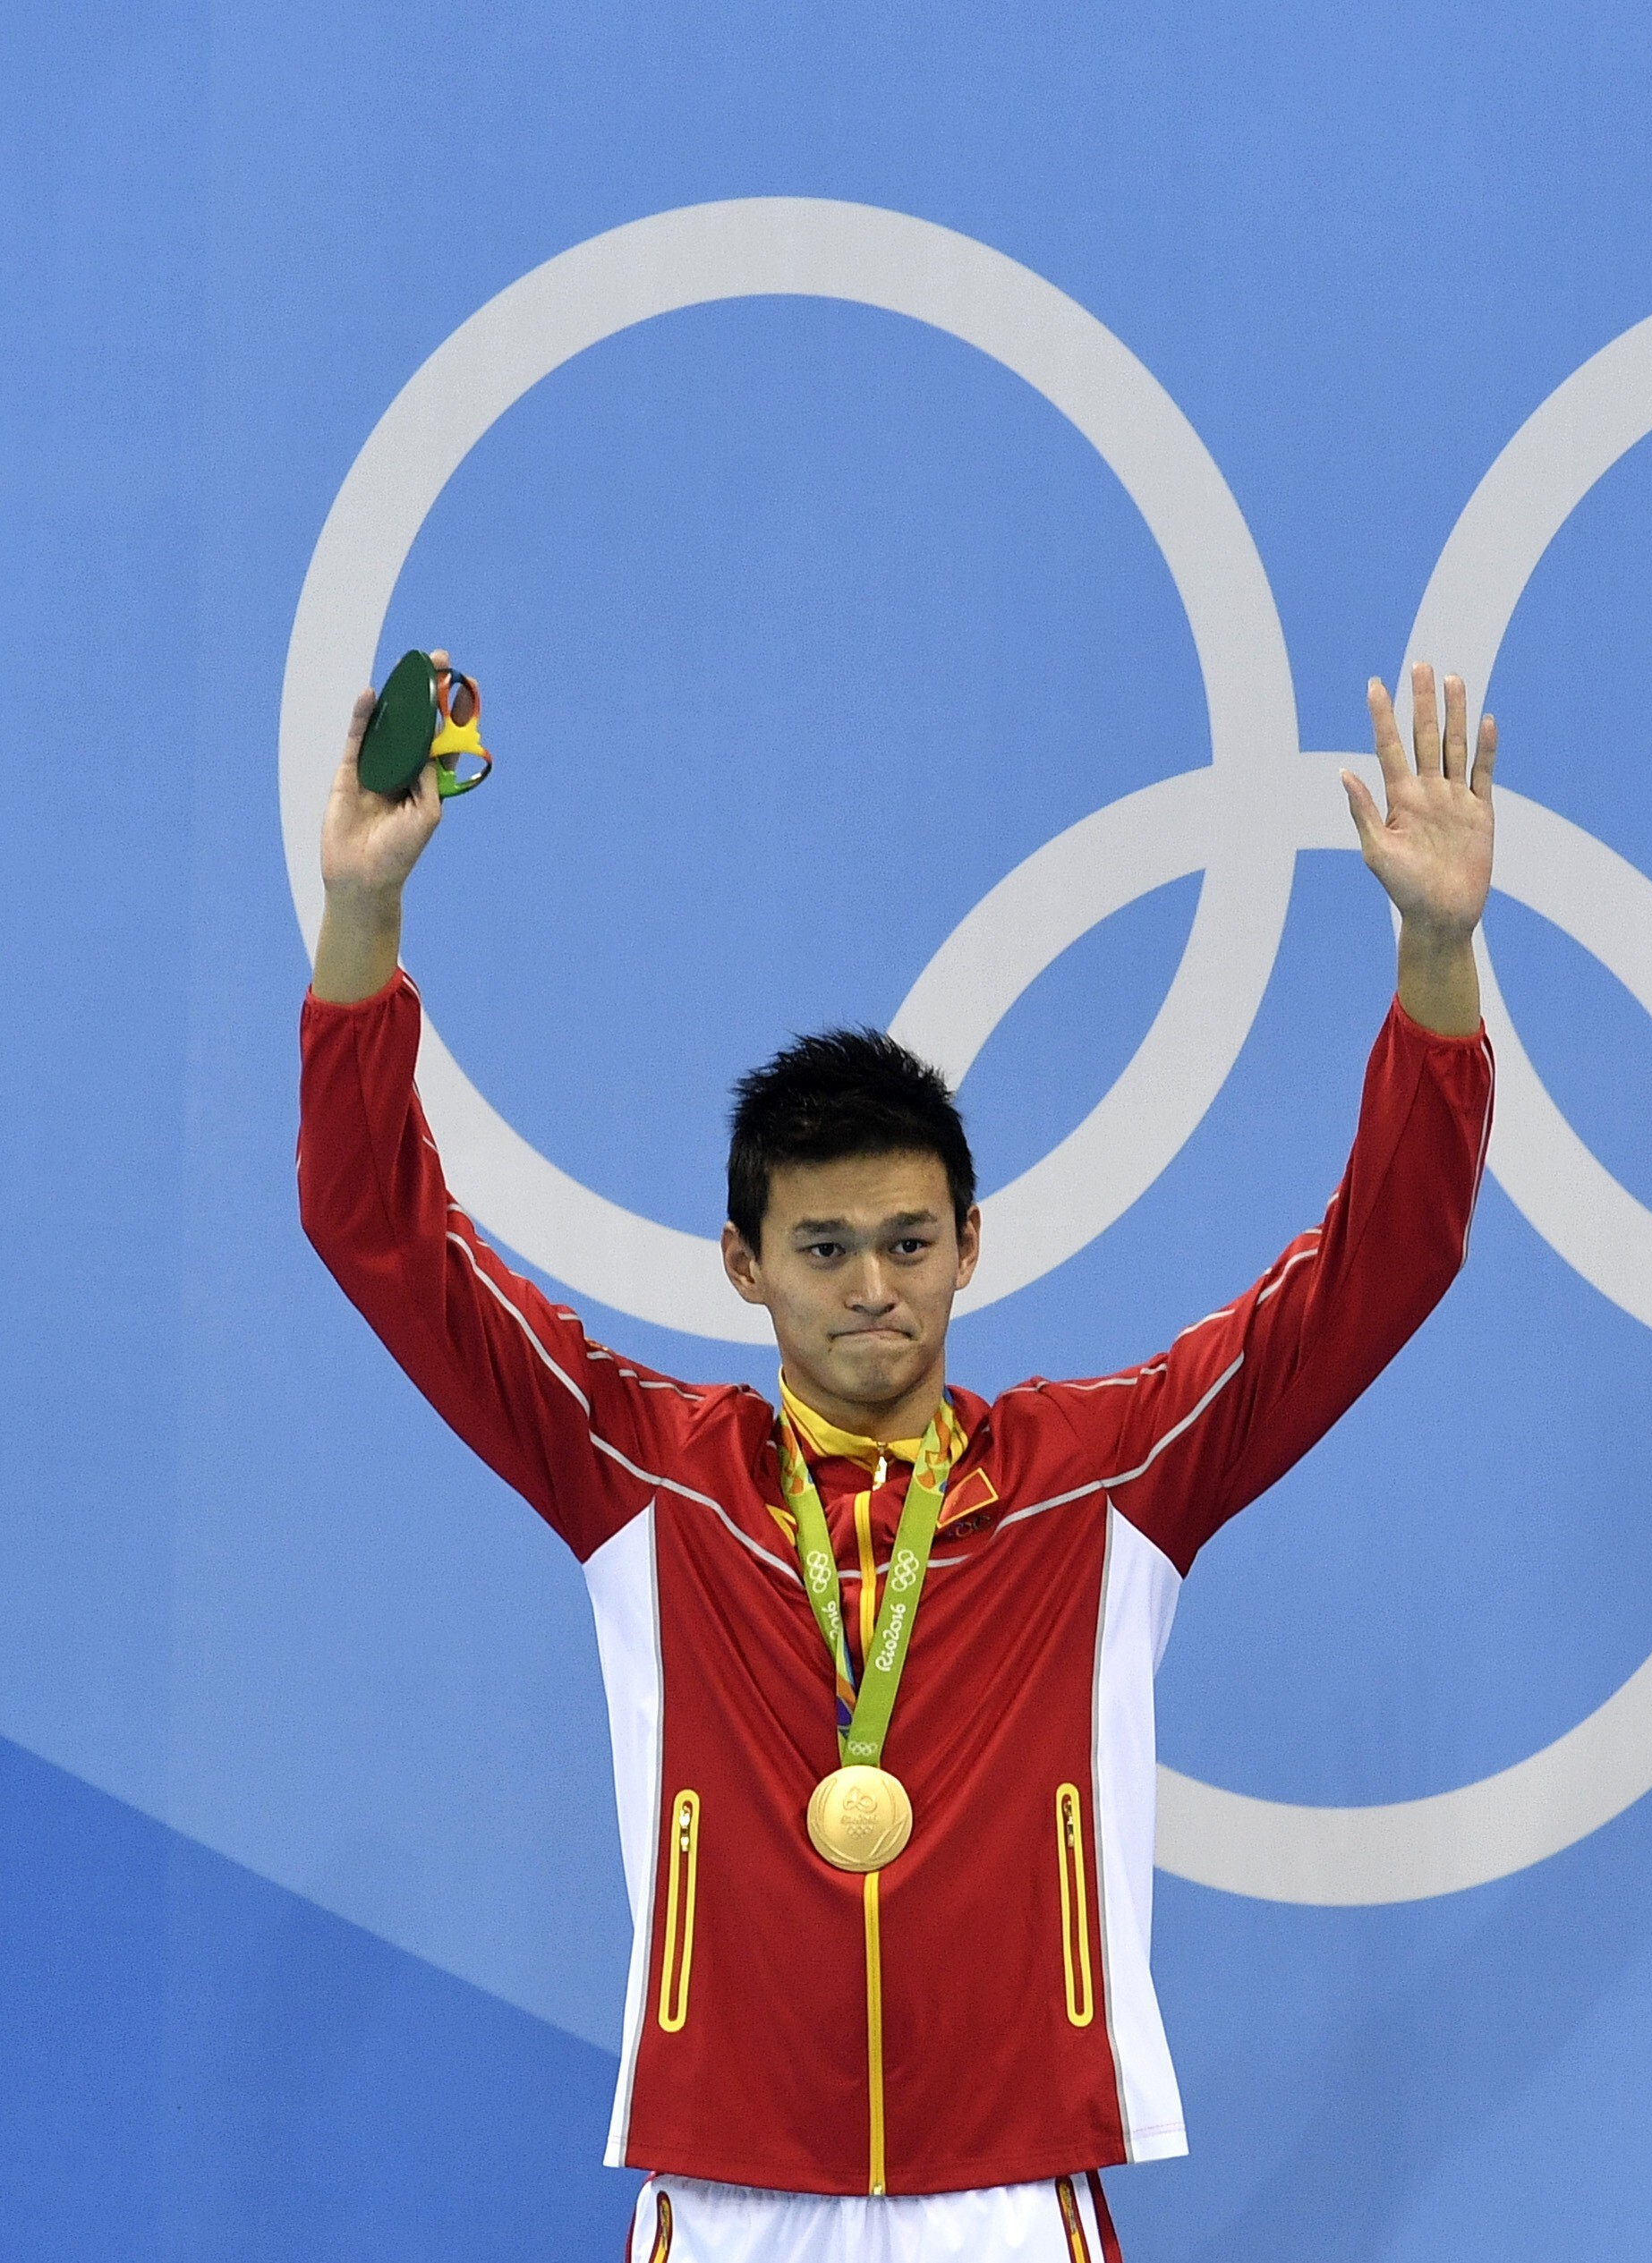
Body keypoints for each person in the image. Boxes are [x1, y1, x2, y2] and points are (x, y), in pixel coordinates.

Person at [300, 655, 1500, 2263]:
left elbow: (1385, 1261)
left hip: (1010, 2191)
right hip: (730, 2193)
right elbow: (378, 1230)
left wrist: (1437, 948)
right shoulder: (643, 1475)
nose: (873, 1286)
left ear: (970, 1244)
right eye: (826, 1246)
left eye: (910, 1240)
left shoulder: (1102, 1478)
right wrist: (363, 923)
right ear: (745, 1264)